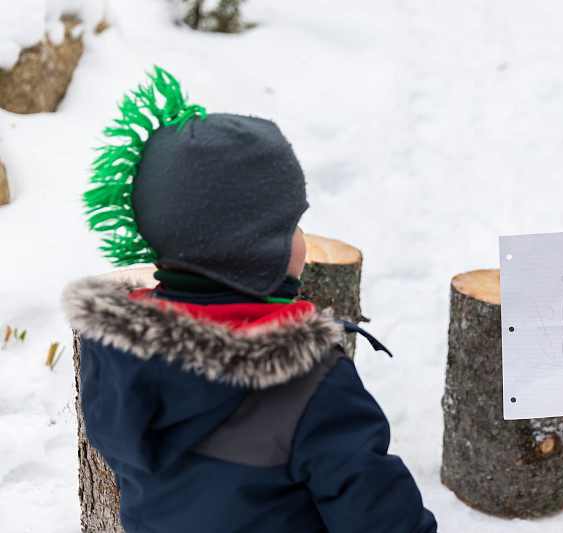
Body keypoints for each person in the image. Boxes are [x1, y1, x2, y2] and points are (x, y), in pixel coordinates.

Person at [62, 67, 437, 533]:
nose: (302, 236)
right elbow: (382, 519)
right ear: (259, 253)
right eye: (291, 225)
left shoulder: (116, 355)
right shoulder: (308, 385)